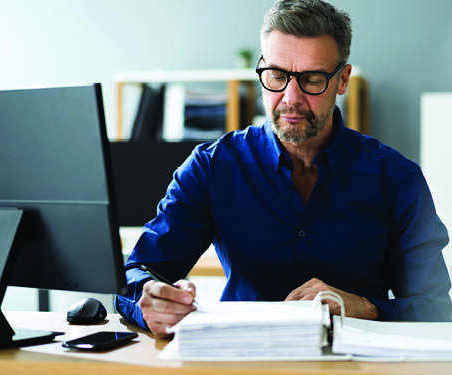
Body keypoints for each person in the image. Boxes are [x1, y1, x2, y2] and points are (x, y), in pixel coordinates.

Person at [115, 0, 452, 337]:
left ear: (343, 80)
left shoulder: (396, 179)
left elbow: (436, 308)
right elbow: (139, 273)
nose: (291, 98)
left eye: (313, 79)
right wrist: (151, 300)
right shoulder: (211, 167)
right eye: (276, 75)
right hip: (239, 360)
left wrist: (363, 307)